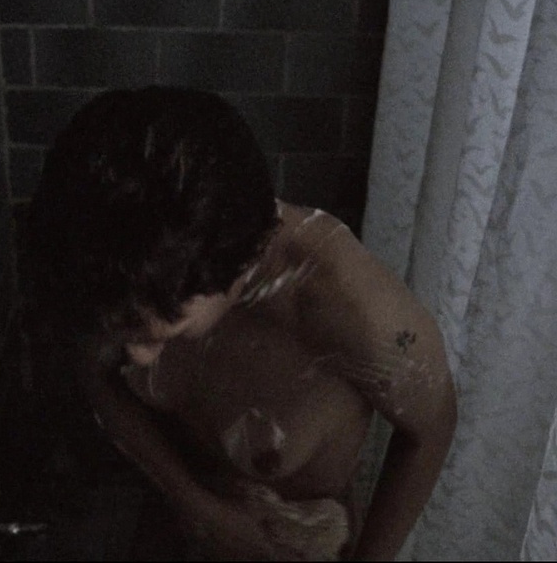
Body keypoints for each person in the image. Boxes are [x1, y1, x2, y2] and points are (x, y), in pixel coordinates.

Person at [22, 86, 456, 560]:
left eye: (154, 335)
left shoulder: (350, 307)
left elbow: (432, 430)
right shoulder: (120, 261)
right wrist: (198, 505)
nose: (136, 356)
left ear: (232, 270)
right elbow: (96, 370)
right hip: (172, 519)